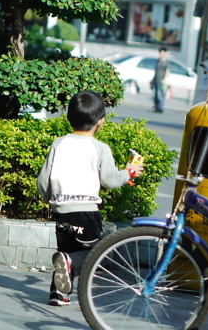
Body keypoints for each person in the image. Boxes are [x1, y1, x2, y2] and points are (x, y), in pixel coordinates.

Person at [37, 91, 144, 306]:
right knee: (92, 252)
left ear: (69, 117)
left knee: (65, 253)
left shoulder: (59, 144)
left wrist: (48, 197)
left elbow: (43, 178)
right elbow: (111, 180)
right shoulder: (100, 148)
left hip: (61, 209)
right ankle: (68, 267)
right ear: (101, 121)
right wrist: (129, 172)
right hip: (86, 211)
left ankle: (58, 294)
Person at [151, 47, 169, 113]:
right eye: (160, 52)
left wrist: (165, 79)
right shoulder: (158, 61)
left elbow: (167, 71)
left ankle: (160, 107)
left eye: (163, 52)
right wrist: (153, 80)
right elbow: (156, 71)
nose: (161, 54)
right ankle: (156, 107)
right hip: (156, 80)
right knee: (155, 94)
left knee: (161, 94)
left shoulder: (166, 62)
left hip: (162, 81)